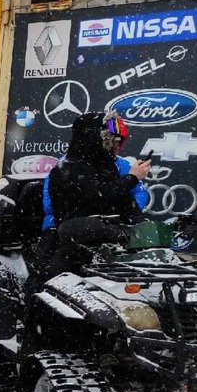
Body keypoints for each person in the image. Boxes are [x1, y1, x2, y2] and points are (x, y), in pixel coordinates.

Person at [41, 111, 152, 277]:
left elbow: (125, 203)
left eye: (120, 142)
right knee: (46, 285)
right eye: (114, 141)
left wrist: (143, 228)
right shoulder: (66, 170)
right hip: (75, 248)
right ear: (95, 138)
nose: (117, 147)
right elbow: (98, 196)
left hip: (113, 249)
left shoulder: (108, 168)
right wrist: (131, 178)